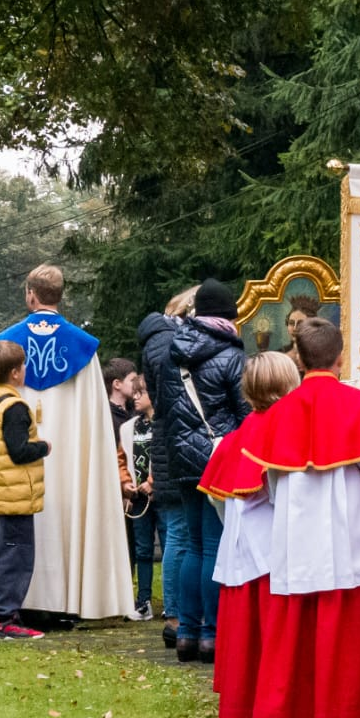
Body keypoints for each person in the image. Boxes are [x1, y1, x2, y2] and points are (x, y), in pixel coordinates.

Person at [248, 318, 360, 718]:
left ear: (298, 359)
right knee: (349, 626)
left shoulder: (278, 413)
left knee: (294, 624)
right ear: (341, 357)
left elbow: (272, 484)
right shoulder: (358, 405)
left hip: (296, 536)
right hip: (348, 533)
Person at [0, 266, 131, 624]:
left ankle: (14, 601)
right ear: (59, 295)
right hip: (67, 455)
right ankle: (68, 601)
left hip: (15, 456)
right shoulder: (82, 346)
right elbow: (95, 420)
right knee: (70, 507)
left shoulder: (5, 344)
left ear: (30, 295)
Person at [139, 280, 250, 661]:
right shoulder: (231, 354)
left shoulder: (173, 352)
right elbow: (244, 412)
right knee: (215, 546)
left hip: (182, 458)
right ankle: (212, 634)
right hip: (220, 458)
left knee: (191, 544)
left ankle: (185, 630)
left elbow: (166, 408)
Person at [200, 351, 298, 718]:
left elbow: (217, 497)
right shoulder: (284, 430)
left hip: (239, 541)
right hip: (273, 541)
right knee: (271, 628)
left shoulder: (233, 438)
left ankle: (242, 705)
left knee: (243, 629)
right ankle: (272, 704)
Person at [0, 339, 50, 639]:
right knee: (14, 557)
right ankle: (5, 617)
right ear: (16, 372)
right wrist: (43, 446)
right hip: (13, 494)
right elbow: (18, 451)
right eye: (24, 365)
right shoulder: (15, 406)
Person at [136, 285, 195, 649]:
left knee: (177, 531)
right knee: (179, 533)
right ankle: (175, 614)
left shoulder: (155, 342)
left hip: (165, 438)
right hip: (177, 439)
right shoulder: (173, 342)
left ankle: (176, 612)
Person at [120, 386, 157, 618]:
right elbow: (121, 458)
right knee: (142, 549)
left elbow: (166, 454)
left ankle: (175, 603)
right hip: (139, 498)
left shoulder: (162, 423)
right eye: (134, 393)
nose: (135, 397)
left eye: (141, 393)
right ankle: (143, 601)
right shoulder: (128, 428)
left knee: (173, 545)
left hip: (159, 495)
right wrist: (125, 483)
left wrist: (152, 482)